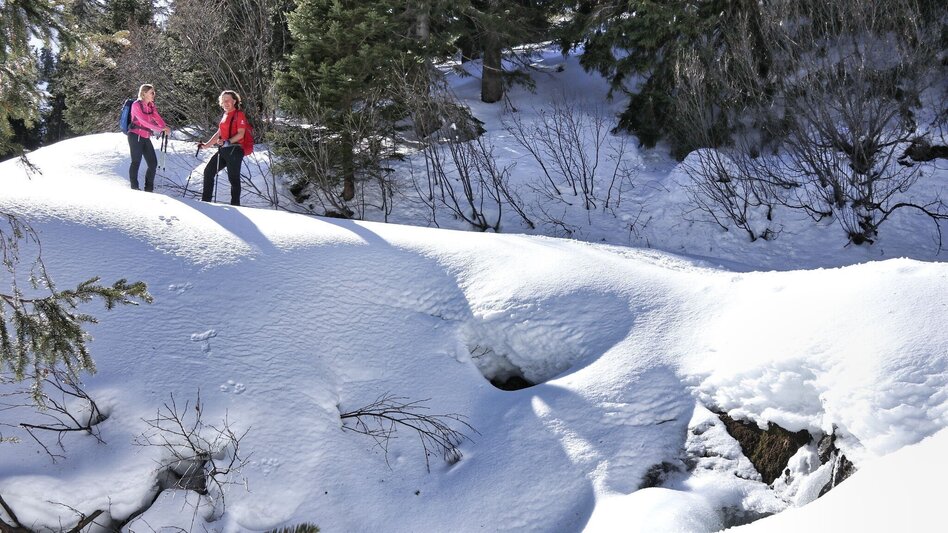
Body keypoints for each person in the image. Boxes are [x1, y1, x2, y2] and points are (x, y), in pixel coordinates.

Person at [198, 90, 250, 206]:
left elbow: (241, 134)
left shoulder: (239, 114)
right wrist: (206, 145)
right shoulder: (225, 115)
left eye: (228, 100)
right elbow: (219, 133)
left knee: (233, 179)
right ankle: (205, 203)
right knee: (208, 172)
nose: (225, 103)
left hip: (235, 150)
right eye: (223, 100)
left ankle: (235, 205)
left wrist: (227, 142)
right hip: (224, 150)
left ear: (234, 101)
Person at [127, 84, 171, 191]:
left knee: (153, 163)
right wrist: (160, 129)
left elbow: (157, 118)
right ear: (144, 93)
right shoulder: (136, 105)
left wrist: (164, 127)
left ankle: (149, 189)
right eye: (152, 92)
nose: (154, 94)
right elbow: (144, 122)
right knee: (136, 161)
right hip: (135, 135)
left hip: (145, 137)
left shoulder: (151, 105)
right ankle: (134, 187)